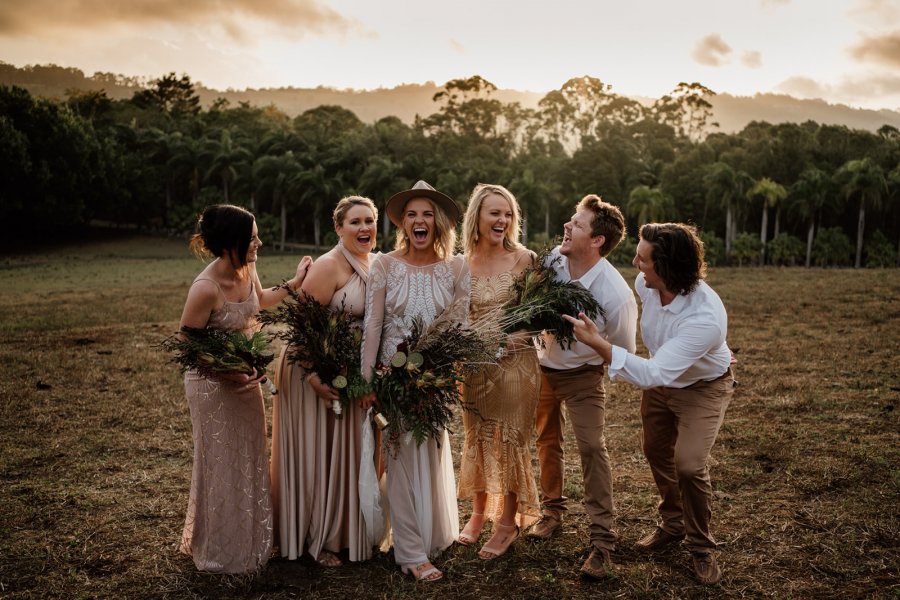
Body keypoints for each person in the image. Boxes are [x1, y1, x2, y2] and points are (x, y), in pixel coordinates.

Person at [564, 222, 735, 585]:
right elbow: (658, 369)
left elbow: (653, 372)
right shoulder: (646, 284)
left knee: (688, 464)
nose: (634, 263)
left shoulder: (705, 318)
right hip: (661, 383)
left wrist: (598, 344)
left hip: (701, 388)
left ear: (667, 267)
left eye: (642, 258)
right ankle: (673, 524)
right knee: (655, 450)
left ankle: (701, 547)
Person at [177, 204, 312, 573]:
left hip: (245, 379)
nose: (259, 243)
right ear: (230, 242)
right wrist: (228, 371)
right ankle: (221, 550)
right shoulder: (206, 288)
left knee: (251, 456)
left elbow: (260, 301)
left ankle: (253, 540)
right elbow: (187, 345)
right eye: (252, 238)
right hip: (211, 386)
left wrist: (294, 283)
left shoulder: (247, 267)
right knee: (221, 463)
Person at [360, 180, 470, 582]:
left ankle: (431, 533)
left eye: (426, 213)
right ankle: (409, 552)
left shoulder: (457, 267)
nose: (419, 220)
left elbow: (459, 327)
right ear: (403, 224)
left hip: (434, 381)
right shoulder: (384, 265)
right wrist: (368, 381)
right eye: (411, 214)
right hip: (391, 378)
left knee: (430, 451)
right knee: (399, 459)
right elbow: (373, 325)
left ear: (438, 222)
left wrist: (447, 375)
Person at [525, 195, 638, 580]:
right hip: (541, 368)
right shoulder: (550, 263)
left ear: (597, 241)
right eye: (570, 220)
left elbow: (623, 352)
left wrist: (593, 344)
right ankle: (552, 511)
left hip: (583, 377)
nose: (566, 227)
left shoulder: (617, 295)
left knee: (591, 447)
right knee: (545, 440)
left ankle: (602, 542)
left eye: (577, 224)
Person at [270, 196, 380, 566]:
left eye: (370, 220)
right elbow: (300, 328)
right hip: (309, 369)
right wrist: (315, 376)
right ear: (338, 228)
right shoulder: (328, 266)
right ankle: (317, 537)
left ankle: (343, 532)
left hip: (347, 368)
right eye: (355, 222)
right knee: (318, 452)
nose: (364, 228)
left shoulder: (373, 262)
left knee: (345, 451)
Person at [456, 183, 541, 560]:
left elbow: (539, 313)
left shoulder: (525, 259)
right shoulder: (461, 262)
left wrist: (511, 339)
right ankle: (478, 514)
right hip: (473, 367)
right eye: (495, 213)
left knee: (508, 440)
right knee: (477, 435)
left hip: (514, 366)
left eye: (508, 214)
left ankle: (507, 522)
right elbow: (457, 316)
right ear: (477, 218)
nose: (502, 220)